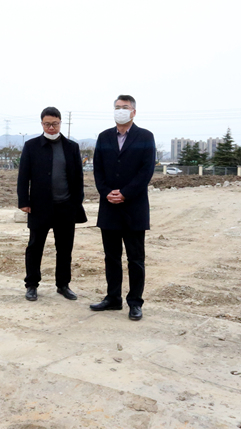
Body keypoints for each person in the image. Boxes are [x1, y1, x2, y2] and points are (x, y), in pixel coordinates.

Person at [90, 95, 156, 321]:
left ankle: (135, 302)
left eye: (125, 107)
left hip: (134, 207)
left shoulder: (145, 137)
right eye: (117, 107)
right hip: (109, 206)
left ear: (133, 112)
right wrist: (105, 191)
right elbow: (98, 169)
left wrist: (126, 193)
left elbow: (146, 171)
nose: (120, 110)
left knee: (135, 259)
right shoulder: (104, 137)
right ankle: (113, 298)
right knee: (111, 257)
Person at [17, 107, 87, 301]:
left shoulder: (71, 147)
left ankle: (63, 285)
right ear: (42, 124)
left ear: (60, 123)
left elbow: (78, 178)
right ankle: (32, 285)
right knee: (35, 247)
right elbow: (23, 176)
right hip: (39, 206)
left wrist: (76, 203)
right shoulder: (31, 146)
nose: (51, 127)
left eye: (54, 124)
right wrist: (23, 201)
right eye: (47, 124)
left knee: (64, 248)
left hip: (65, 206)